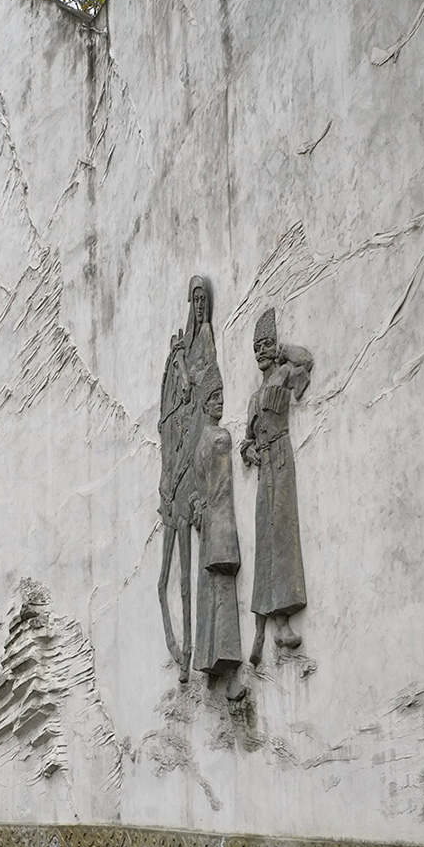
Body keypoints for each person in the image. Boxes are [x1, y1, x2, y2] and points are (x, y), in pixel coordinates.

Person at [157, 277, 223, 681]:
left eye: (204, 298)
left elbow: (204, 382)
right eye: (194, 298)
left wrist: (183, 365)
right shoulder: (185, 350)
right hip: (178, 461)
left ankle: (192, 648)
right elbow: (180, 398)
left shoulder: (207, 339)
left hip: (193, 465)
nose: (199, 305)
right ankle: (179, 646)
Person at [240, 308, 313, 663]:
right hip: (265, 464)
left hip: (282, 458)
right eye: (258, 346)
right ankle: (263, 625)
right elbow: (246, 439)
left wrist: (283, 349)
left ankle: (283, 622)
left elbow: (307, 361)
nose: (262, 351)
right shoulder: (254, 398)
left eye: (266, 344)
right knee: (265, 543)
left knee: (283, 536)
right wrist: (249, 450)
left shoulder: (285, 372)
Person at [192, 384, 244, 695]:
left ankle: (210, 659)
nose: (220, 402)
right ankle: (227, 668)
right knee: (223, 597)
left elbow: (199, 493)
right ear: (203, 404)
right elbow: (223, 488)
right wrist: (222, 532)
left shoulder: (199, 444)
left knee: (209, 596)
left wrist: (202, 511)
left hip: (208, 526)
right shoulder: (220, 438)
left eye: (221, 396)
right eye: (214, 397)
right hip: (220, 526)